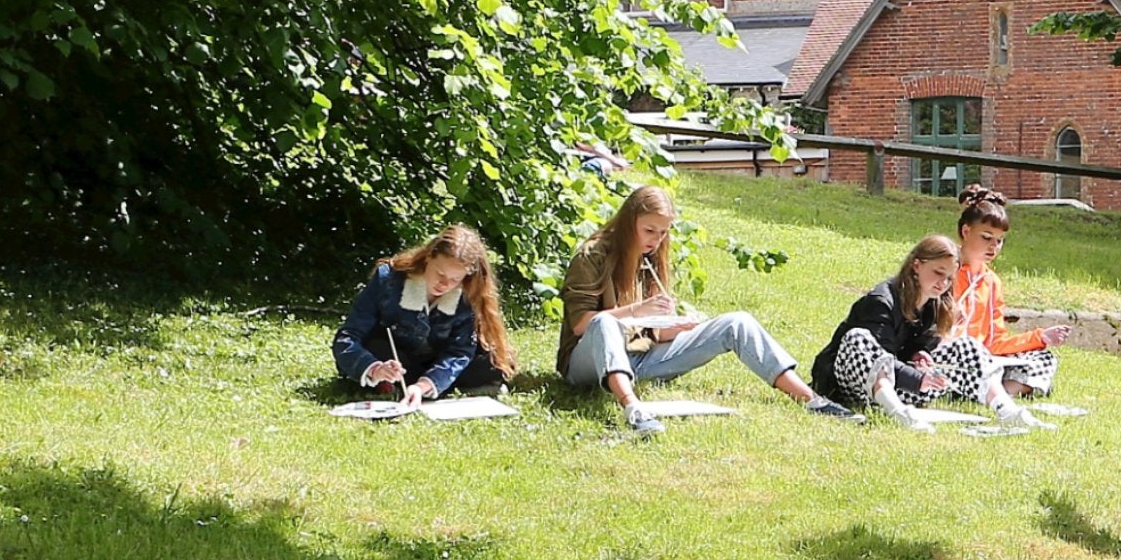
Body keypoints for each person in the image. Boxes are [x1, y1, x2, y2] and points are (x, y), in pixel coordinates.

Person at [561, 185, 859, 435]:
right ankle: (634, 409)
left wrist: (674, 328)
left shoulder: (651, 256)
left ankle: (811, 400)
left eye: (663, 233)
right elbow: (583, 325)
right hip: (588, 361)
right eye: (649, 230)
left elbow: (649, 334)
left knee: (737, 322)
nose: (656, 240)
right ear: (629, 223)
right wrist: (638, 310)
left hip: (638, 355)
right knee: (605, 324)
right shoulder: (592, 255)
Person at [936, 185, 1074, 429]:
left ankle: (995, 392)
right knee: (970, 348)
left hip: (985, 359)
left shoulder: (992, 282)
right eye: (986, 238)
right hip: (946, 355)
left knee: (1042, 358)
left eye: (999, 241)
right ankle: (990, 394)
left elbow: (995, 341)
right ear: (966, 232)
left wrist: (1040, 337)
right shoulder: (943, 270)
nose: (993, 247)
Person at [332, 225, 517, 405]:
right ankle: (387, 381)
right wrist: (375, 368)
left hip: (435, 362)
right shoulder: (387, 279)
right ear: (429, 256)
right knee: (377, 349)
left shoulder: (467, 295)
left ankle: (416, 388)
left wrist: (424, 385)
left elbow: (459, 351)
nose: (444, 284)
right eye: (440, 273)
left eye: (454, 279)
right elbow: (347, 337)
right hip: (396, 360)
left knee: (492, 362)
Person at [813, 234, 960, 428]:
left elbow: (917, 345)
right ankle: (898, 412)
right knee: (858, 338)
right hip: (851, 382)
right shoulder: (881, 301)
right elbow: (879, 355)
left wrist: (920, 354)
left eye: (949, 278)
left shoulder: (936, 305)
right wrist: (917, 379)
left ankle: (998, 404)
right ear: (917, 266)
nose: (943, 283)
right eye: (938, 272)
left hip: (899, 384)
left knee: (964, 347)